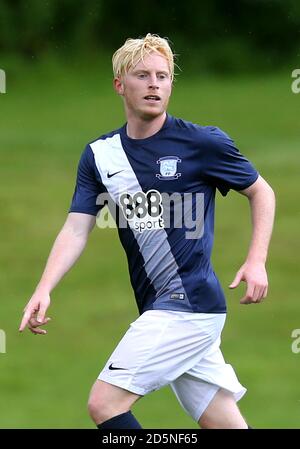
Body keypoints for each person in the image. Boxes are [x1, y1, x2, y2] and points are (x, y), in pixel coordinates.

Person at [19, 33, 276, 429]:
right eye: (143, 75)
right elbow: (76, 228)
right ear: (120, 85)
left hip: (188, 306)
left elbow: (261, 192)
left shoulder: (202, 142)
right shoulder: (100, 156)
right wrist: (44, 288)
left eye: (163, 75)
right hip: (163, 308)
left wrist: (256, 260)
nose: (155, 84)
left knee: (104, 405)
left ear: (172, 83)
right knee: (227, 425)